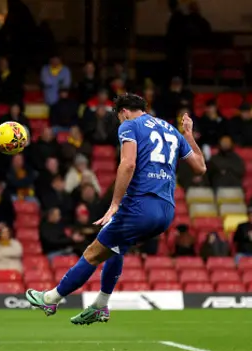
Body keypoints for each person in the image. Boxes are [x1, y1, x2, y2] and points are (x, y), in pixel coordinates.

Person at [26, 93, 206, 325]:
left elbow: (128, 163)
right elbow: (200, 167)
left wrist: (115, 203)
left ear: (123, 112)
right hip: (166, 211)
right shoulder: (171, 129)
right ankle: (100, 305)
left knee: (93, 252)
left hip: (141, 205)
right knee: (116, 246)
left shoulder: (129, 126)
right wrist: (188, 136)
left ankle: (51, 298)